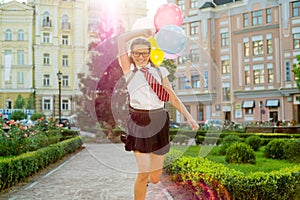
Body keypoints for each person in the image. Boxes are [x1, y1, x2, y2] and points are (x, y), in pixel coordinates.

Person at [118, 29, 199, 200]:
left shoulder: (160, 71)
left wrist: (189, 117)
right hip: (138, 121)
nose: (141, 56)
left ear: (150, 52)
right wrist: (142, 32)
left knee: (154, 178)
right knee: (143, 172)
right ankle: (140, 186)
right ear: (131, 54)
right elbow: (120, 39)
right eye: (137, 53)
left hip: (159, 121)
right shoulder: (128, 69)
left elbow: (172, 98)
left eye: (144, 53)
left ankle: (144, 183)